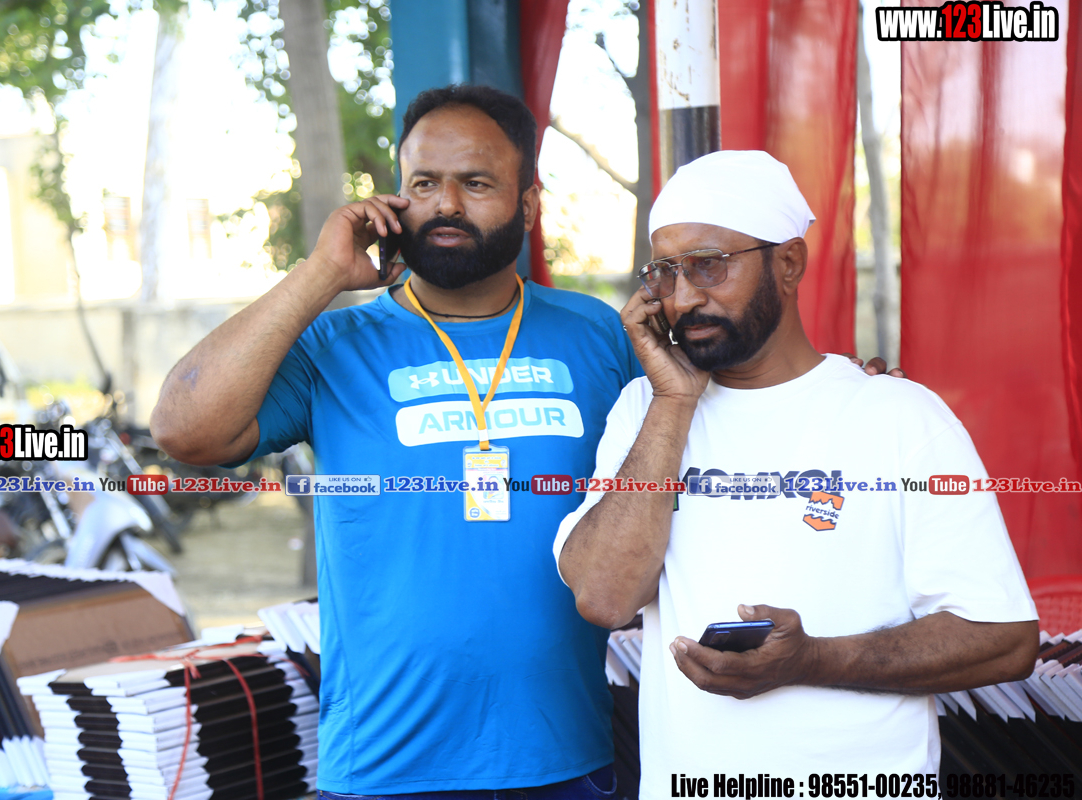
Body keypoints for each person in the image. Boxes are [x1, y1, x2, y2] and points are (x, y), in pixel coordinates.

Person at [151, 84, 634, 796]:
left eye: (476, 183)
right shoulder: (336, 342)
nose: (446, 205)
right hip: (386, 767)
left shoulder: (597, 334)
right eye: (424, 183)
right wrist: (322, 275)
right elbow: (183, 429)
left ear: (529, 205)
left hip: (564, 760)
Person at [553, 150, 1040, 785]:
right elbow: (604, 597)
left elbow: (1004, 638)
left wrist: (811, 660)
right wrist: (673, 402)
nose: (684, 297)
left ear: (788, 264)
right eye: (666, 273)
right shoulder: (646, 410)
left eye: (708, 265)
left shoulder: (898, 416)